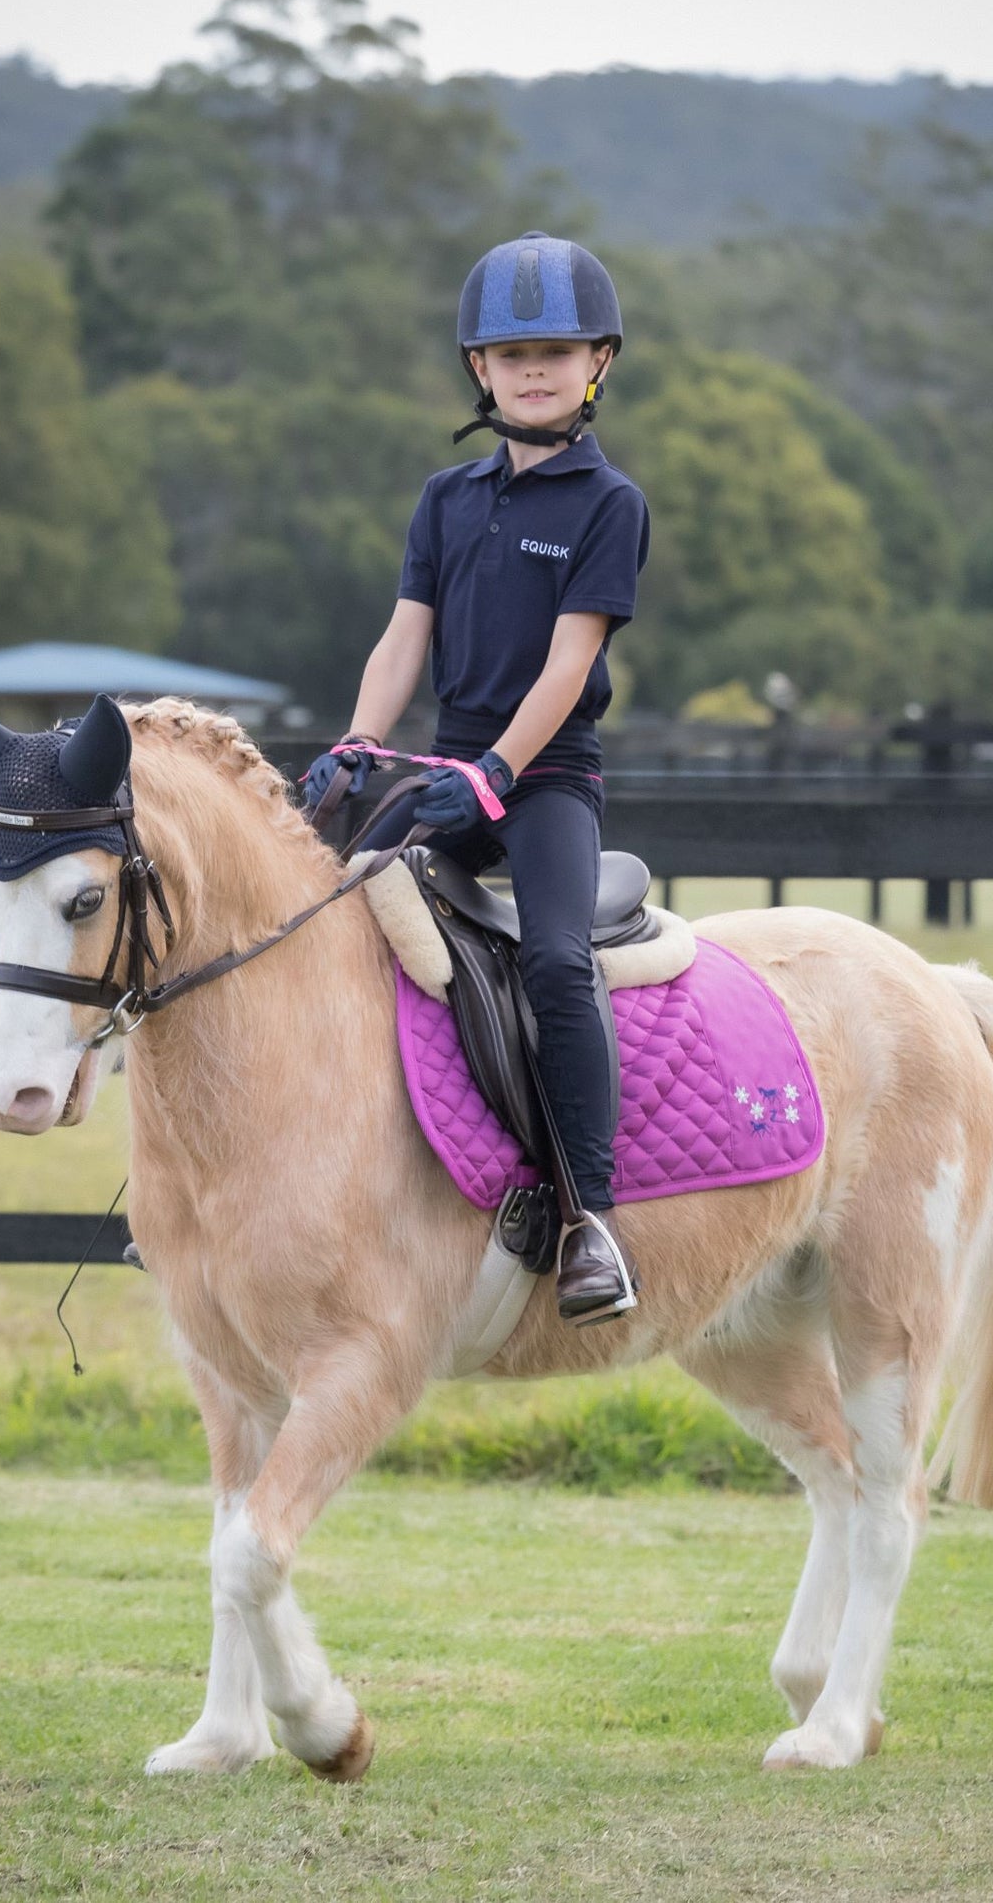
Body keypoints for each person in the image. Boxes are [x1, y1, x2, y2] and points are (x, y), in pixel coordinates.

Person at [302, 231, 650, 1324]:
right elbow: (405, 635)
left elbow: (571, 660)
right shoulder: (447, 498)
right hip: (444, 770)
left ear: (597, 362)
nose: (532, 370)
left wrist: (500, 771)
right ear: (477, 371)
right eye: (510, 354)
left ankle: (591, 1218)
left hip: (544, 781)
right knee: (322, 923)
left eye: (554, 350)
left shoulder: (608, 503)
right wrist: (360, 740)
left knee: (551, 960)